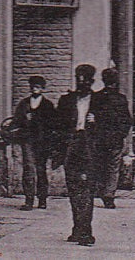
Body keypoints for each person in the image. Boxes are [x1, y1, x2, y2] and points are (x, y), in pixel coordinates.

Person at [55, 64, 122, 247]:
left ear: (92, 81)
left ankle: (86, 230)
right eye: (79, 80)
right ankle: (78, 227)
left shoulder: (102, 101)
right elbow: (57, 127)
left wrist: (97, 122)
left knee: (87, 189)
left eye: (86, 80)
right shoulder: (66, 101)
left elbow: (114, 126)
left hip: (92, 149)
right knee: (74, 189)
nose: (82, 83)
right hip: (71, 148)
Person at [12, 75, 60, 210]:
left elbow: (52, 123)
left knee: (41, 169)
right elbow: (17, 120)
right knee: (28, 168)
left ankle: (42, 198)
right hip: (28, 139)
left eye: (37, 87)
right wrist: (24, 120)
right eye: (32, 86)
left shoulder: (47, 105)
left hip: (42, 141)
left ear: (43, 89)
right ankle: (29, 199)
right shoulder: (24, 103)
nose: (34, 89)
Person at [92, 67, 133, 209]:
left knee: (100, 165)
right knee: (113, 167)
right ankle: (109, 195)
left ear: (103, 80)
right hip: (114, 139)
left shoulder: (96, 97)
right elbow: (127, 120)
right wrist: (121, 135)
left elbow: (91, 118)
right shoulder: (121, 99)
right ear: (116, 81)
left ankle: (101, 190)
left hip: (99, 138)